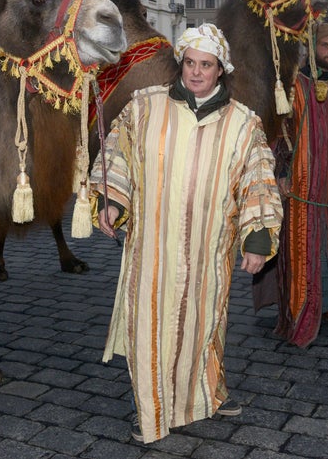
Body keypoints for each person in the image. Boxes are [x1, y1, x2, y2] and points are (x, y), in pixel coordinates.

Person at [89, 24, 282, 444]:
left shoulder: (244, 124)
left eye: (206, 65)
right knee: (151, 326)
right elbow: (117, 151)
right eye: (190, 63)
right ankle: (151, 410)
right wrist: (113, 200)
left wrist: (257, 237)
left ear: (220, 70)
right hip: (153, 246)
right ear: (181, 64)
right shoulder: (145, 106)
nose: (196, 73)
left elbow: (259, 179)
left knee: (203, 323)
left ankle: (205, 395)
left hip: (209, 247)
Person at [254, 23, 328, 347]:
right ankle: (301, 309)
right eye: (325, 46)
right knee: (302, 248)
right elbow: (280, 133)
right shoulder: (293, 88)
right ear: (312, 48)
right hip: (301, 187)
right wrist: (281, 171)